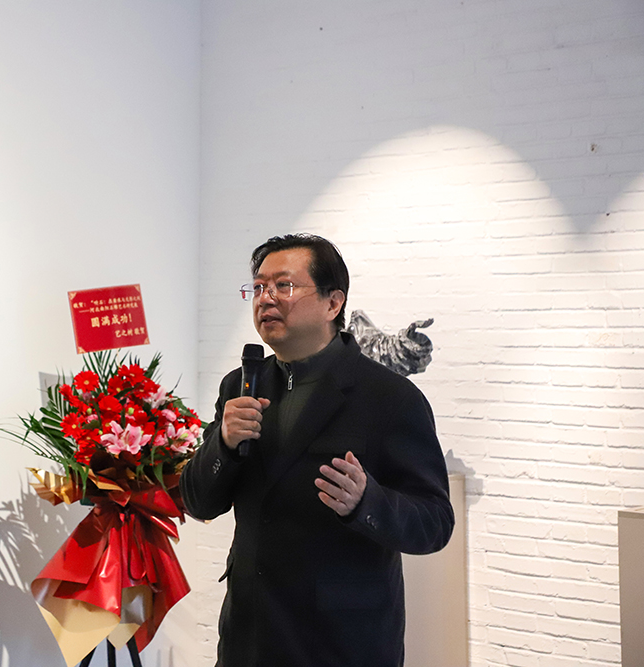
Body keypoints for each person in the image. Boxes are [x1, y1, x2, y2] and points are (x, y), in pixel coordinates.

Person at [181, 234, 454, 667]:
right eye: (258, 287)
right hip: (249, 637)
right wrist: (224, 444)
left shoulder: (389, 397)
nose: (266, 298)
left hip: (342, 642)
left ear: (333, 303)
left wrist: (368, 501)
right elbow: (198, 502)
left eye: (284, 285)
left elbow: (435, 523)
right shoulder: (241, 385)